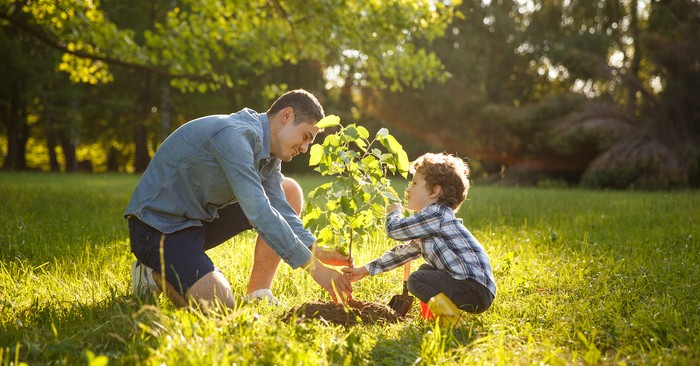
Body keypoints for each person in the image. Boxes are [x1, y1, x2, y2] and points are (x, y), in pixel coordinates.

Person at [125, 89, 353, 309]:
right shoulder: (235, 136)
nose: (304, 148)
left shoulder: (270, 154)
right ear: (287, 115)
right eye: (305, 137)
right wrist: (315, 269)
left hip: (196, 221)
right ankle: (151, 274)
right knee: (220, 307)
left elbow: (280, 207)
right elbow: (260, 212)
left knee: (288, 190)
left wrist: (316, 249)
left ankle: (258, 294)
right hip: (157, 228)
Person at [343, 152, 496, 325]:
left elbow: (394, 230)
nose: (408, 189)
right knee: (425, 270)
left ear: (434, 191)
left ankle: (453, 322)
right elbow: (401, 254)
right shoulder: (432, 223)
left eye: (414, 183)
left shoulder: (436, 214)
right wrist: (363, 270)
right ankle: (436, 317)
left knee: (416, 280)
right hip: (476, 289)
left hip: (473, 288)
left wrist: (394, 212)